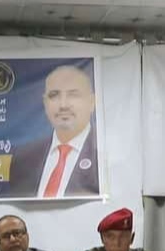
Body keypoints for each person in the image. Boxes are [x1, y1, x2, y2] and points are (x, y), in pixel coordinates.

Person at [11, 65, 100, 198]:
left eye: (73, 95)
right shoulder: (23, 159)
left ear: (92, 102)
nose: (63, 105)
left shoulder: (104, 155)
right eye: (54, 95)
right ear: (45, 103)